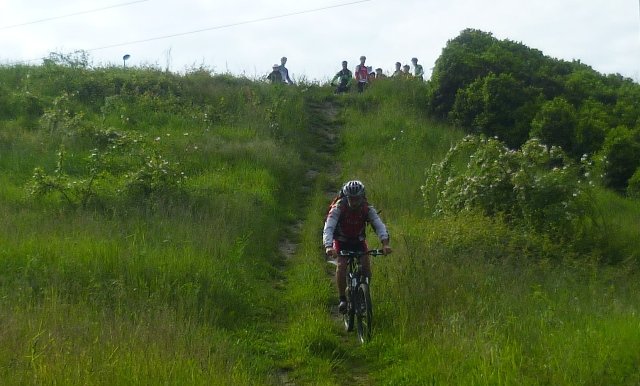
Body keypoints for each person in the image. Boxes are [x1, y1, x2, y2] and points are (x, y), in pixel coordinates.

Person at [323, 180, 392, 314]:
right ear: (346, 197)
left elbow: (379, 225)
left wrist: (385, 244)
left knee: (366, 266)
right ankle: (342, 298)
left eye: (357, 199)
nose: (354, 202)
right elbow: (329, 227)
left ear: (362, 198)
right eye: (351, 199)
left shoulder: (367, 209)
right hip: (342, 241)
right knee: (342, 265)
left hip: (358, 241)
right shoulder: (339, 207)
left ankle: (362, 294)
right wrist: (328, 246)